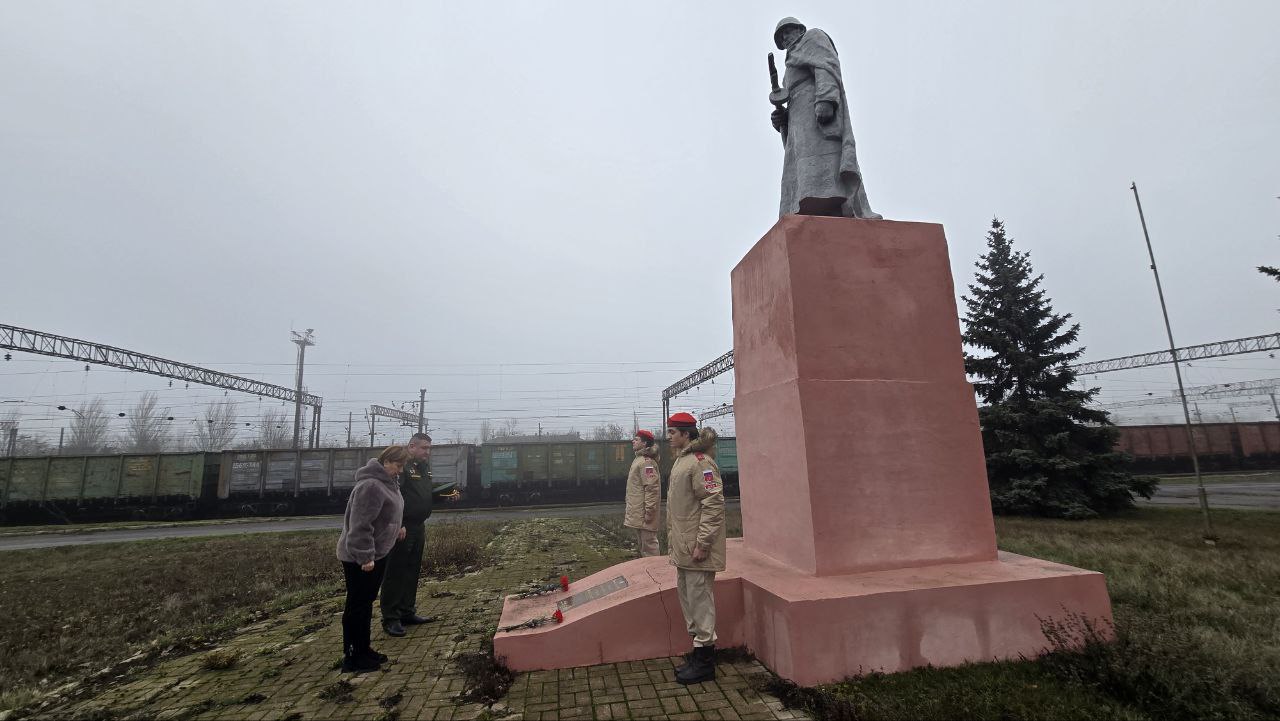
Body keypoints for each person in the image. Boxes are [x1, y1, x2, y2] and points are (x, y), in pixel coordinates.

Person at [770, 16, 881, 220]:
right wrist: (782, 119)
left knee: (827, 157)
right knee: (802, 167)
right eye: (781, 36)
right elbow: (789, 99)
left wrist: (826, 99)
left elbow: (827, 66)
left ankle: (838, 200)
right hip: (798, 121)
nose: (785, 38)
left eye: (787, 32)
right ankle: (809, 202)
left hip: (815, 111)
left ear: (799, 29)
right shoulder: (789, 68)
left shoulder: (813, 38)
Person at [335, 445, 408, 673]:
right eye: (398, 465)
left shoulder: (387, 483)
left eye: (402, 466)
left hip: (377, 552)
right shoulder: (371, 486)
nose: (400, 470)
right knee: (357, 606)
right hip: (361, 557)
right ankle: (352, 657)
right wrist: (365, 556)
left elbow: (384, 515)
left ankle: (364, 649)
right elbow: (360, 525)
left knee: (366, 604)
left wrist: (396, 528)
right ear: (386, 462)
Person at [665, 412, 725, 685]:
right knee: (689, 599)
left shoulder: (701, 463)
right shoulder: (683, 461)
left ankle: (706, 663)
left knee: (700, 601)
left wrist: (703, 544)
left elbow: (713, 504)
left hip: (696, 548)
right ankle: (698, 651)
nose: (668, 437)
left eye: (672, 432)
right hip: (684, 548)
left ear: (686, 434)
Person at [380, 432, 459, 637]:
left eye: (429, 448)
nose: (427, 452)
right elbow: (393, 497)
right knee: (396, 572)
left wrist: (445, 497)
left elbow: (423, 496)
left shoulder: (424, 468)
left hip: (418, 526)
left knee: (412, 570)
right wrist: (399, 523)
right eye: (424, 448)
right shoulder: (402, 468)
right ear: (412, 447)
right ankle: (391, 618)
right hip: (403, 528)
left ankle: (407, 611)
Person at [623, 429, 662, 557]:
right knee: (643, 546)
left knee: (649, 546)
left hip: (644, 513)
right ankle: (648, 572)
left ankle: (655, 571)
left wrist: (649, 512)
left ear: (644, 444)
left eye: (636, 439)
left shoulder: (646, 462)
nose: (632, 441)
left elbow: (651, 488)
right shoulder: (639, 460)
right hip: (640, 512)